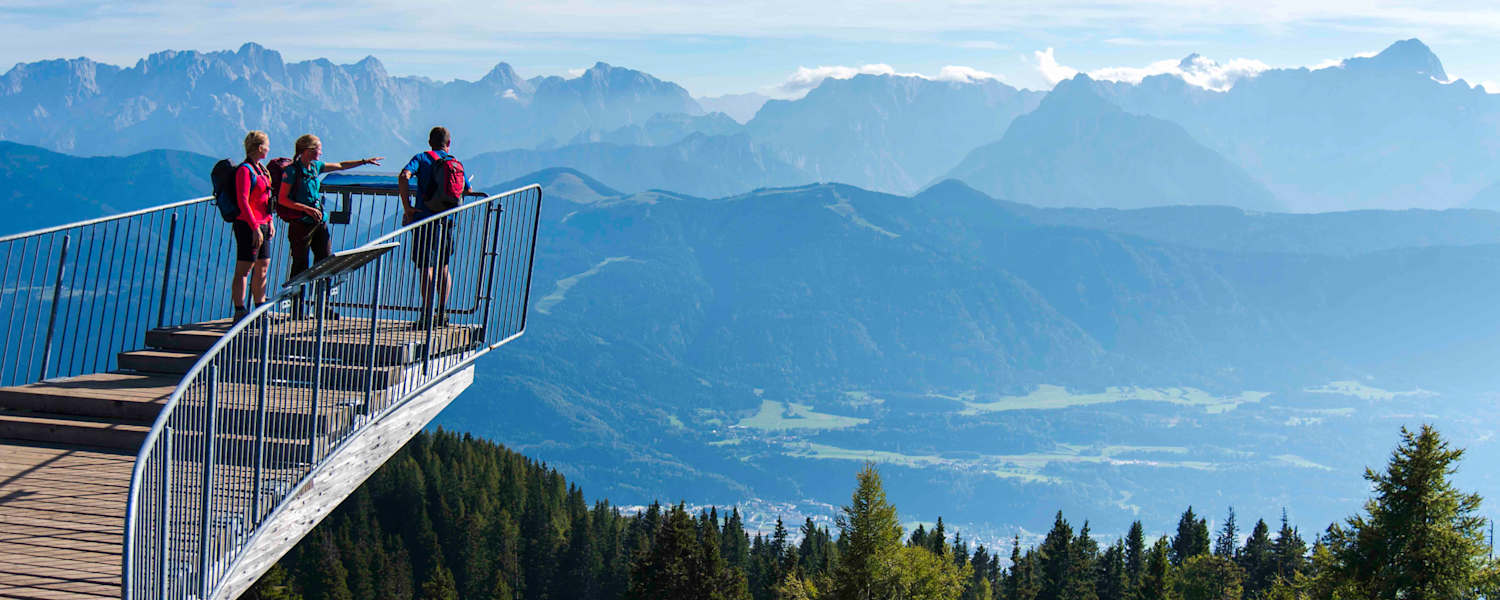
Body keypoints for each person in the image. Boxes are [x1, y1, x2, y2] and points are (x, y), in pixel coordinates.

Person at [279, 133, 382, 318]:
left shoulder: (315, 167)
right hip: (301, 224)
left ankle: (322, 306)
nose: (321, 151)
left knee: (325, 262)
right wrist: (306, 209)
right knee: (300, 265)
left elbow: (341, 166)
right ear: (308, 150)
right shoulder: (292, 171)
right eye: (318, 148)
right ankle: (297, 308)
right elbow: (283, 199)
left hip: (318, 222)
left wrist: (365, 161)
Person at [398, 126, 469, 328]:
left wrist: (407, 208)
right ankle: (443, 313)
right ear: (449, 143)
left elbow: (404, 176)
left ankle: (427, 315)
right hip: (446, 220)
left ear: (430, 142)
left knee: (425, 267)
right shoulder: (455, 163)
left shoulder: (422, 158)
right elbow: (466, 188)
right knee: (444, 267)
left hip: (424, 218)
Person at [230, 130, 275, 323]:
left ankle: (259, 308)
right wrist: (255, 226)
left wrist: (269, 221)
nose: (269, 148)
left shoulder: (262, 170)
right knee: (245, 267)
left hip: (263, 223)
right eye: (266, 145)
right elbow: (243, 200)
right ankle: (240, 310)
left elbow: (266, 198)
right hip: (248, 225)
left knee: (263, 265)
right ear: (259, 148)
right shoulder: (245, 170)